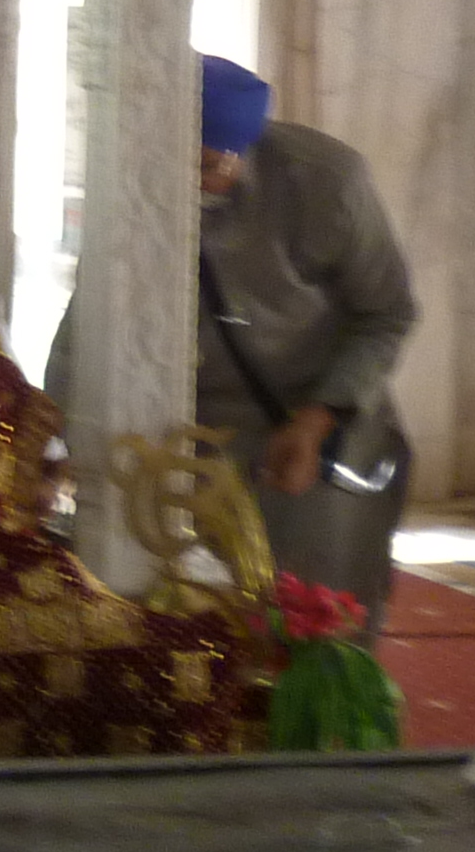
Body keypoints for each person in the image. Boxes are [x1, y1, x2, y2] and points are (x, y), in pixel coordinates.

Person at [162, 54, 420, 633]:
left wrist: (313, 422)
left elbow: (388, 314)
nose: (191, 184)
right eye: (174, 163)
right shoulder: (143, 191)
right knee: (205, 637)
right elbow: (92, 314)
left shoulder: (325, 181)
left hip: (325, 433)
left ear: (242, 150)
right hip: (201, 439)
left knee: (321, 636)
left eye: (205, 167)